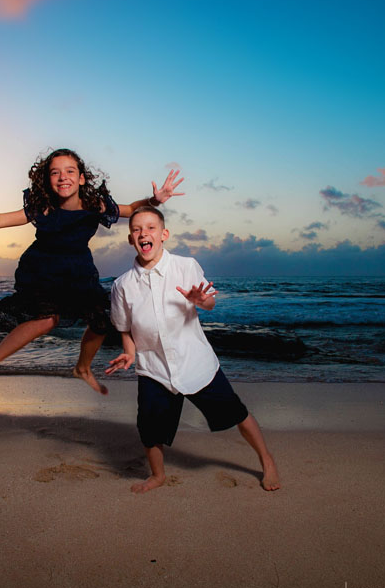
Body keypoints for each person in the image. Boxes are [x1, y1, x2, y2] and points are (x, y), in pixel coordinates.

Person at [0, 149, 183, 394]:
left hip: (78, 272)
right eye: (55, 173)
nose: (63, 177)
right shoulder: (43, 208)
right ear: (48, 180)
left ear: (81, 178)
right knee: (46, 320)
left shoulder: (94, 205)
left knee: (101, 321)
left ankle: (83, 368)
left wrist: (156, 201)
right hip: (43, 269)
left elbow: (131, 208)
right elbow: (1, 219)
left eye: (70, 171)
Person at [106, 206, 280, 492]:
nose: (143, 233)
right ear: (130, 239)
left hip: (195, 362)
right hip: (154, 368)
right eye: (136, 229)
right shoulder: (122, 285)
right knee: (149, 429)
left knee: (236, 412)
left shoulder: (186, 266)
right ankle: (158, 475)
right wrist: (130, 351)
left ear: (163, 235)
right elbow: (124, 327)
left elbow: (210, 302)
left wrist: (201, 300)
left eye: (150, 228)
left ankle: (267, 459)